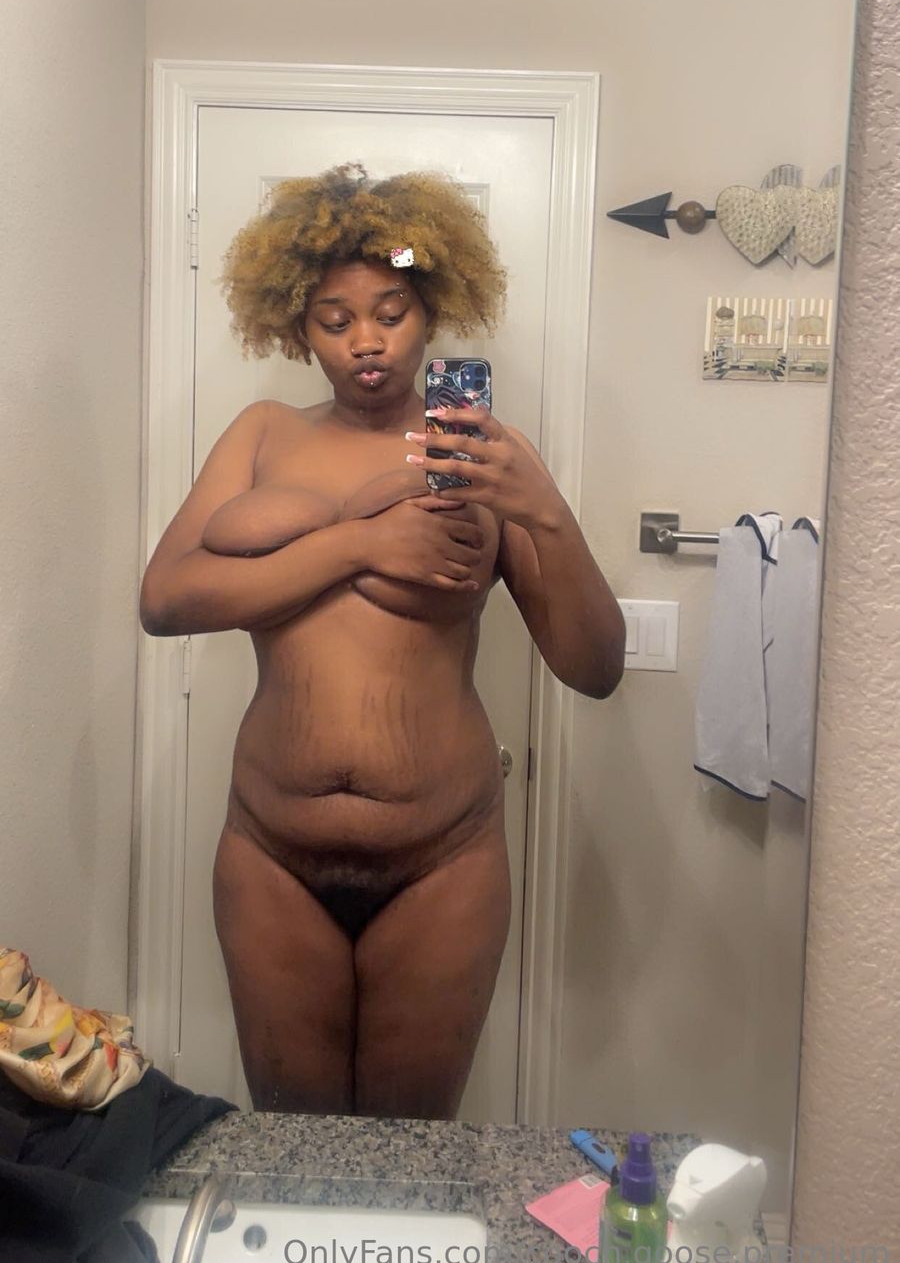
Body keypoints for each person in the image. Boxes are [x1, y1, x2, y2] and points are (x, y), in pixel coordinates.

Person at [140, 163, 625, 1119]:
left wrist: (547, 512)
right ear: (297, 328)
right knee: (296, 1147)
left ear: (432, 311)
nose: (366, 340)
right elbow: (165, 599)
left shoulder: (481, 457)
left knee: (411, 1151)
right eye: (335, 319)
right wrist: (359, 544)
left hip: (443, 859)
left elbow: (594, 667)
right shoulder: (263, 435)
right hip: (271, 853)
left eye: (392, 312)